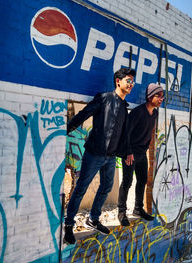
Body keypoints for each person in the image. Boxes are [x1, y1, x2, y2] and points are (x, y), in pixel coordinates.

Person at [64, 68, 136, 244]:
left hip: (110, 157)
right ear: (118, 81)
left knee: (106, 187)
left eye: (133, 81)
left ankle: (93, 218)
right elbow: (84, 113)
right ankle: (68, 225)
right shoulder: (104, 99)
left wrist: (127, 151)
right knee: (81, 188)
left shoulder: (124, 107)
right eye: (128, 80)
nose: (131, 84)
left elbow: (124, 134)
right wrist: (66, 128)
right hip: (94, 153)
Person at [117, 83, 164, 226]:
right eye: (158, 96)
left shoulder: (154, 113)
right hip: (130, 152)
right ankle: (121, 212)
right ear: (150, 97)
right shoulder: (137, 112)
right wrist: (128, 152)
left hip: (142, 153)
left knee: (143, 180)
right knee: (127, 181)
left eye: (162, 96)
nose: (161, 99)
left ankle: (138, 209)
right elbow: (126, 133)